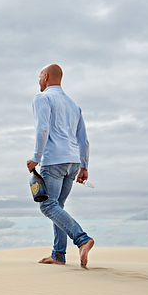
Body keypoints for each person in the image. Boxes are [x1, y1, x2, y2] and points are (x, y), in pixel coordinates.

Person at [26, 64, 94, 268]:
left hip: (54, 160)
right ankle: (58, 255)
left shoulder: (42, 98)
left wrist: (36, 157)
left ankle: (82, 239)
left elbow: (42, 129)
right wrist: (84, 166)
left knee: (48, 205)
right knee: (58, 206)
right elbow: (84, 139)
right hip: (73, 162)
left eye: (39, 76)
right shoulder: (74, 105)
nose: (38, 80)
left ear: (46, 76)